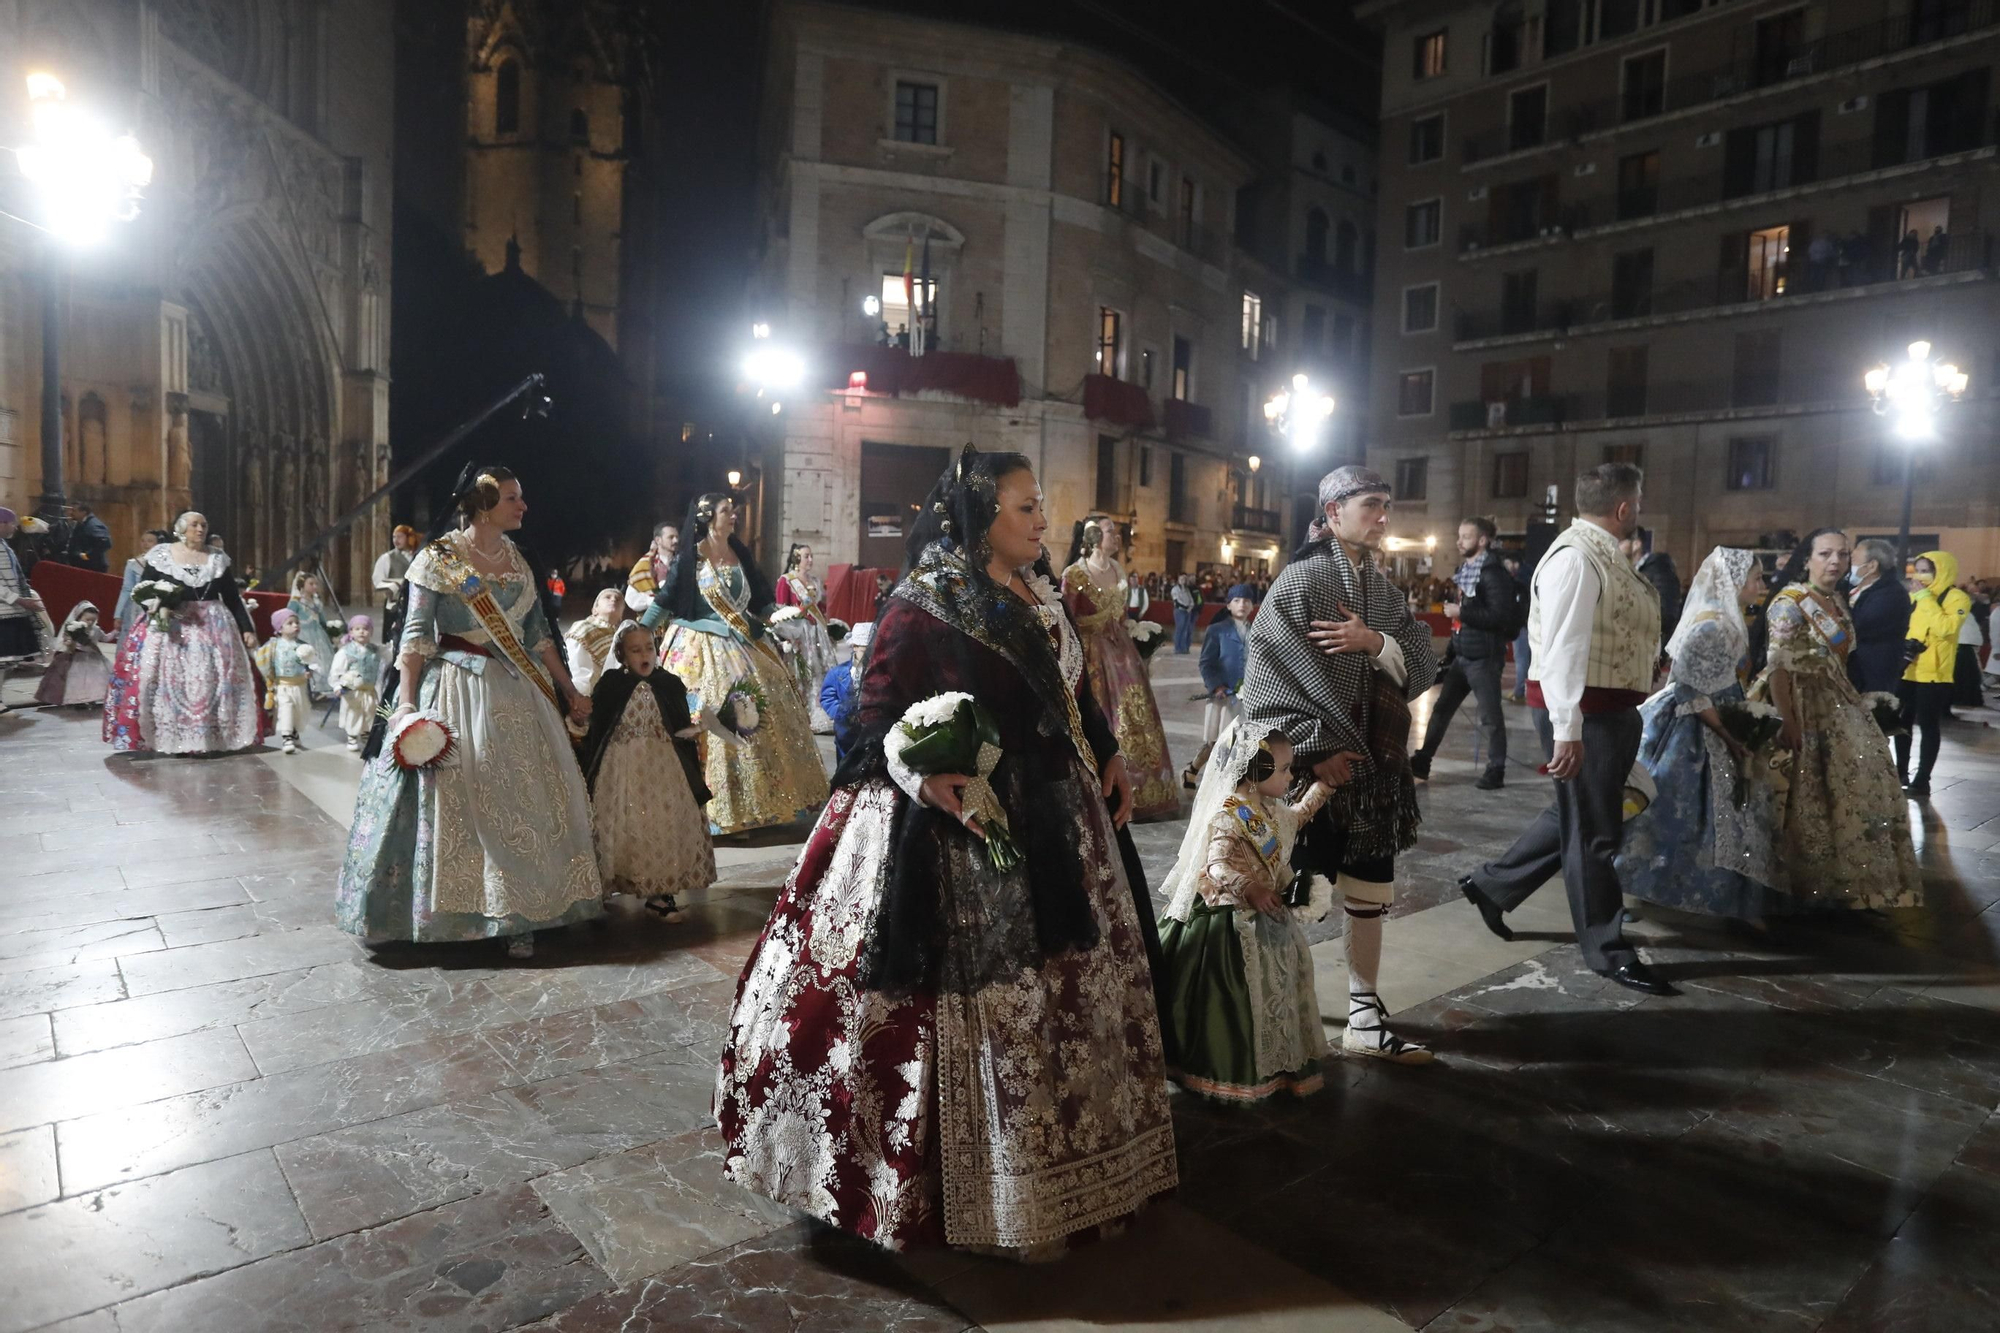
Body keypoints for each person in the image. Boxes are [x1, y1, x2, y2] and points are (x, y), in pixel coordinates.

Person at [716, 446, 1175, 1253]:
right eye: (1025, 507)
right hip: (959, 831)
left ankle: (1066, 1171)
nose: (1042, 521)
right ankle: (957, 1191)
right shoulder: (923, 603)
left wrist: (1103, 749)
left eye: (1040, 505)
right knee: (978, 1013)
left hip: (1060, 825)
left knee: (1064, 1003)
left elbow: (1067, 692)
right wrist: (925, 778)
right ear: (979, 515)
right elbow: (870, 722)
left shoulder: (1037, 594)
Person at [335, 465, 603, 960]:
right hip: (456, 688)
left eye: (519, 497)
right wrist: (409, 708)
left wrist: (568, 690)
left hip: (518, 695)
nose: (522, 506)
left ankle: (524, 911)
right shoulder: (437, 559)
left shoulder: (519, 560)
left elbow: (539, 635)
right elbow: (415, 637)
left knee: (524, 801)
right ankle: (458, 916)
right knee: (462, 805)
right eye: (511, 498)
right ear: (483, 505)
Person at [1242, 465, 1441, 1061]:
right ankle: (1267, 1017)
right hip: (1308, 776)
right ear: (1332, 513)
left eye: (1386, 505)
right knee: (1288, 892)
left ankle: (1362, 1015)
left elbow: (1425, 663)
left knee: (1369, 889)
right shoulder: (1301, 581)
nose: (1383, 516)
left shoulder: (1382, 591)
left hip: (1374, 769)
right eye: (1371, 505)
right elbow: (1265, 676)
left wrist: (1374, 643)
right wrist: (1315, 751)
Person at [1459, 464, 1674, 995]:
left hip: (1607, 711)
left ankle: (1491, 885)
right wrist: (1567, 729)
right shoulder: (1577, 557)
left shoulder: (1601, 553)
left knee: (1573, 815)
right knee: (1596, 833)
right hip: (1586, 715)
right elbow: (1561, 650)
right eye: (1639, 502)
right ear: (1624, 507)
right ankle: (1607, 949)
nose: (1639, 511)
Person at [1158, 723, 1332, 1103]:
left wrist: (1326, 786)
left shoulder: (1267, 809)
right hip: (1230, 922)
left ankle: (1277, 1062)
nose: (1290, 777)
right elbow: (1216, 867)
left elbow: (1298, 816)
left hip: (1266, 916)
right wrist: (1248, 888)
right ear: (1257, 773)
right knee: (1235, 997)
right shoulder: (1229, 815)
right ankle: (1230, 1069)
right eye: (1285, 769)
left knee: (1274, 992)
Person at [638, 493, 829, 835]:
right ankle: (709, 806)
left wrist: (777, 614)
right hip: (700, 646)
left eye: (732, 510)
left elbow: (760, 599)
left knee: (762, 707)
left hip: (743, 643)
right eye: (726, 511)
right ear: (708, 518)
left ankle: (761, 801)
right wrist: (637, 637)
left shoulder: (740, 552)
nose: (734, 515)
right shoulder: (691, 558)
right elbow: (665, 603)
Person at [1617, 549, 1787, 924]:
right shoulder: (1711, 626)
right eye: (1756, 579)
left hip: (1719, 713)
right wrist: (1729, 735)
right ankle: (1641, 885)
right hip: (1695, 727)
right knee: (1676, 811)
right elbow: (1690, 691)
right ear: (1734, 583)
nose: (1761, 586)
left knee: (1720, 813)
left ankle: (1720, 890)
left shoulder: (1726, 619)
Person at [1754, 528, 1921, 905]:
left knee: (1851, 791)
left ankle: (1842, 883)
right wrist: (1788, 720)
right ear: (1807, 559)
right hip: (1797, 701)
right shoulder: (1791, 602)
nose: (1835, 562)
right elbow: (1777, 666)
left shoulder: (1837, 601)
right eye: (1825, 554)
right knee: (1805, 796)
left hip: (1837, 700)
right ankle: (1796, 885)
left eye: (1843, 555)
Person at [577, 620, 716, 922]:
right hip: (619, 768)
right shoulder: (612, 685)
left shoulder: (669, 683)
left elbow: (679, 723)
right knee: (618, 825)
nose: (645, 655)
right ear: (622, 654)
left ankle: (660, 892)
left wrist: (693, 731)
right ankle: (608, 885)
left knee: (661, 825)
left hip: (663, 771)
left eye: (649, 648)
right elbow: (596, 728)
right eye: (635, 650)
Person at [102, 511, 260, 754]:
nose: (200, 529)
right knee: (167, 680)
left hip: (213, 627)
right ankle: (169, 735)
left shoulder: (217, 558)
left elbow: (231, 597)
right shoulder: (162, 555)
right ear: (181, 529)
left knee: (211, 679)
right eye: (195, 525)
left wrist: (246, 628)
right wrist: (159, 606)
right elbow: (144, 590)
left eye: (204, 525)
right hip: (171, 627)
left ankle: (210, 736)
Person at [1063, 516, 1179, 821]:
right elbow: (1067, 620)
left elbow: (1122, 612)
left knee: (1137, 714)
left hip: (1122, 651)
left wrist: (1135, 632)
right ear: (1092, 536)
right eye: (1109, 532)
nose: (1116, 536)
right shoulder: (1074, 574)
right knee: (1105, 715)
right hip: (1092, 656)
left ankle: (1145, 789)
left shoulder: (1117, 569)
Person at [1411, 517, 1521, 790]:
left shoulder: (1493, 574)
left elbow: (1499, 615)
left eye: (1466, 537)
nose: (1459, 541)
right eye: (1459, 536)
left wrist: (1462, 612)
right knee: (1441, 710)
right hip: (1463, 654)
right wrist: (1451, 649)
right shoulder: (1467, 570)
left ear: (1482, 541)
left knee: (1490, 717)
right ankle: (1423, 760)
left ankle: (1496, 769)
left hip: (1484, 657)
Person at [1898, 550, 1971, 797]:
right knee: (1900, 724)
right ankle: (1900, 772)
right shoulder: (1914, 596)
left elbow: (1945, 628)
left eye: (1925, 570)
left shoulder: (1956, 597)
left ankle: (1922, 780)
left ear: (1941, 571)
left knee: (1928, 725)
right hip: (1908, 669)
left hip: (1935, 673)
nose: (1920, 575)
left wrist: (1925, 597)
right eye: (1916, 570)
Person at [1185, 582, 1255, 788]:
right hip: (1223, 696)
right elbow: (1206, 662)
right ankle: (1194, 770)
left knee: (1237, 742)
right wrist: (1216, 686)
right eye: (1237, 600)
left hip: (1246, 696)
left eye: (1247, 601)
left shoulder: (1257, 631)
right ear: (1229, 606)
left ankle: (1227, 783)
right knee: (1215, 742)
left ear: (1252, 606)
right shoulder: (1217, 630)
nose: (1242, 604)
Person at [772, 541, 840, 733]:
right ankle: (799, 714)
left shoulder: (816, 581)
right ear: (796, 558)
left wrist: (830, 629)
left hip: (817, 634)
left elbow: (822, 609)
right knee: (802, 674)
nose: (810, 560)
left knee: (821, 673)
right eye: (806, 556)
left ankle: (821, 714)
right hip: (798, 635)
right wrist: (786, 634)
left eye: (811, 556)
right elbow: (780, 610)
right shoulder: (786, 581)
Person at [1846, 537, 1913, 696]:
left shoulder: (1891, 595)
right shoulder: (1856, 588)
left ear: (1872, 565)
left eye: (1854, 560)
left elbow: (1859, 627)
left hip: (1872, 672)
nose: (1849, 565)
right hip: (1855, 669)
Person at [0, 507, 49, 713]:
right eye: (11, 523)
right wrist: (19, 599)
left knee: (8, 662)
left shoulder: (5, 546)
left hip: (12, 611)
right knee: (2, 661)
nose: (14, 526)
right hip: (4, 612)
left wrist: (26, 597)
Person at [256, 608, 319, 755]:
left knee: (299, 709)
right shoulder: (274, 646)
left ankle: (294, 731)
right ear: (279, 628)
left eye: (296, 622)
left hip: (299, 684)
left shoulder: (302, 645)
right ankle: (286, 737)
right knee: (286, 709)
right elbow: (263, 659)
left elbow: (309, 661)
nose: (295, 625)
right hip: (283, 685)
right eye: (289, 623)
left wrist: (309, 671)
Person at [34, 600, 111, 708]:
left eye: (93, 620)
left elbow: (105, 638)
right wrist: (69, 642)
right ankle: (79, 699)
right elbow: (66, 642)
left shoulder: (96, 629)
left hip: (93, 658)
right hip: (78, 659)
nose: (90, 622)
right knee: (78, 680)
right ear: (79, 617)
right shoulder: (74, 629)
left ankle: (92, 697)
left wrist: (116, 632)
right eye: (87, 619)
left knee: (93, 680)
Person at [818, 619, 872, 765]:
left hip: (871, 732)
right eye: (864, 649)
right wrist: (841, 713)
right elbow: (827, 697)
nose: (868, 654)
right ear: (854, 647)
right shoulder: (837, 673)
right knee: (845, 766)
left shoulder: (881, 674)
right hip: (845, 733)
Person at [330, 614, 385, 752]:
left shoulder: (375, 650)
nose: (362, 631)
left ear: (371, 631)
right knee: (354, 712)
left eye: (366, 628)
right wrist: (338, 685)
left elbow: (388, 654)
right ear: (351, 632)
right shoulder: (345, 652)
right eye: (357, 629)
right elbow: (336, 670)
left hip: (369, 689)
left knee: (370, 711)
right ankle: (352, 735)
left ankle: (366, 734)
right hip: (352, 691)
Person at [287, 573, 340, 698]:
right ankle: (306, 687)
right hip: (304, 634)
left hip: (318, 634)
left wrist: (330, 630)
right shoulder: (296, 602)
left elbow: (321, 618)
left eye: (316, 584)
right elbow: (289, 616)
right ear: (302, 585)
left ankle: (317, 687)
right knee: (306, 658)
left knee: (321, 659)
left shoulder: (316, 601)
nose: (314, 586)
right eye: (311, 584)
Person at [564, 587, 623, 697]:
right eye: (607, 597)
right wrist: (580, 698)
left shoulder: (624, 638)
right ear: (595, 609)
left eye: (618, 599)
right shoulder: (582, 628)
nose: (613, 600)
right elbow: (577, 670)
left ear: (621, 615)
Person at [113, 529, 173, 632]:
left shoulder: (168, 562)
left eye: (150, 541)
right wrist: (118, 614)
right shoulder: (133, 563)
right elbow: (127, 589)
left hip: (159, 605)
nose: (145, 544)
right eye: (143, 541)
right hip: (137, 607)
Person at [373, 525, 418, 642]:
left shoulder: (418, 557)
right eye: (394, 537)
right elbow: (378, 580)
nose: (396, 540)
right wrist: (395, 585)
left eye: (400, 537)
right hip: (394, 603)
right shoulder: (387, 558)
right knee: (392, 636)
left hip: (416, 603)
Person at [624, 521, 678, 616]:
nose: (676, 541)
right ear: (658, 540)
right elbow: (631, 598)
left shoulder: (682, 561)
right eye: (671, 537)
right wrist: (654, 600)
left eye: (677, 537)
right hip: (654, 621)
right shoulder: (645, 565)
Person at [1951, 573, 1986, 711]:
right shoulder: (1960, 610)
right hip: (1961, 643)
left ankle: (1964, 697)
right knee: (1964, 674)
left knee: (1966, 673)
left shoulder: (1963, 609)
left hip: (1964, 643)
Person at [62, 502, 112, 572]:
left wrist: (86, 556)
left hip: (93, 568)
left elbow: (104, 543)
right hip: (82, 567)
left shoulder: (93, 524)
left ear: (84, 512)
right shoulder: (81, 523)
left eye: (74, 511)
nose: (71, 513)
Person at [1171, 572, 1198, 654]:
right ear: (1178, 580)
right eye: (1182, 579)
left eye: (1185, 579)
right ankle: (1177, 647)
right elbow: (1176, 601)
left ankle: (1183, 648)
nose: (1183, 581)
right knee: (1180, 629)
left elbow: (1191, 599)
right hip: (1180, 611)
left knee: (1185, 630)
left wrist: (1190, 607)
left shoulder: (1186, 589)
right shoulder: (1175, 589)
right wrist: (1185, 607)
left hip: (1188, 611)